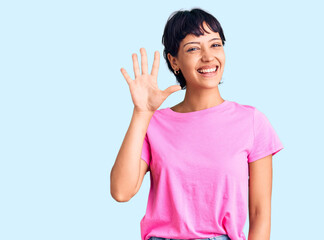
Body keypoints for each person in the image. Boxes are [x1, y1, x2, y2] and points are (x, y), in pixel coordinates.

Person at [110, 8, 284, 240]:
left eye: (215, 44)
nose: (208, 57)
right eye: (193, 48)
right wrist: (141, 113)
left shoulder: (252, 122)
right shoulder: (153, 124)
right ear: (174, 61)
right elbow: (121, 191)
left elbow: (260, 212)